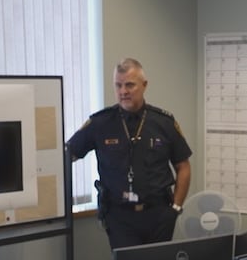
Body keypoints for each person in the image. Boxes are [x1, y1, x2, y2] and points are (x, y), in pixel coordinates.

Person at [67, 58, 192, 249]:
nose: (123, 91)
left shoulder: (163, 123)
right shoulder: (101, 123)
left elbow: (183, 166)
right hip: (119, 217)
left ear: (144, 85)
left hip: (159, 214)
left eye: (129, 85)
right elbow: (68, 154)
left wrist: (175, 208)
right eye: (118, 85)